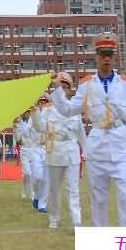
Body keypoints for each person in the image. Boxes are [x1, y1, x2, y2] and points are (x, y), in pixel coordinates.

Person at [50, 32, 126, 227]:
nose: (106, 58)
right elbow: (68, 110)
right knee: (98, 199)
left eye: (109, 54)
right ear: (96, 56)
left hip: (120, 146)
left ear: (114, 57)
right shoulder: (87, 84)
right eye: (102, 54)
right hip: (97, 145)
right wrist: (58, 89)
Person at [31, 72, 86, 230]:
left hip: (71, 153)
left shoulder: (74, 108)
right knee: (54, 190)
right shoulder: (47, 110)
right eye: (59, 86)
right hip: (54, 153)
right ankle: (54, 219)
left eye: (65, 87)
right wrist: (34, 111)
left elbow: (81, 134)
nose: (62, 90)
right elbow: (39, 128)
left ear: (69, 90)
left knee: (73, 190)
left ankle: (76, 222)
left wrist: (86, 153)